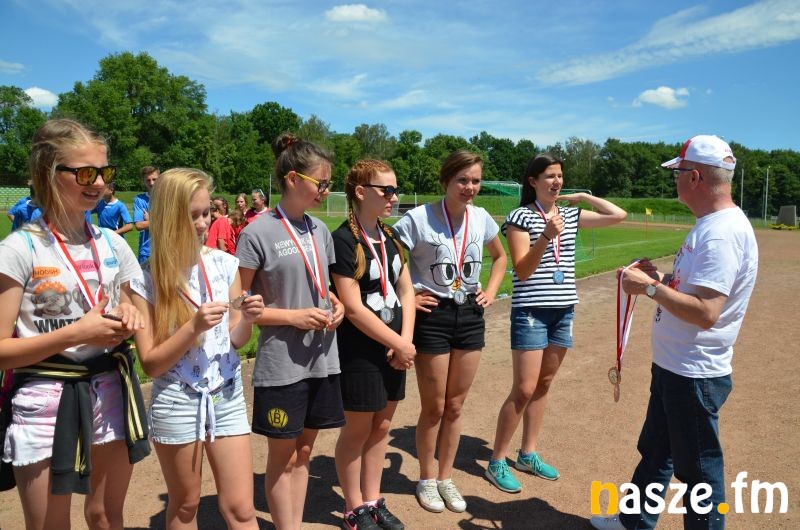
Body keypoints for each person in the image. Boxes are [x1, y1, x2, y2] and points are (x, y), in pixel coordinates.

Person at [590, 135, 758, 530]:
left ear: (695, 177)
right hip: (676, 366)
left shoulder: (721, 233)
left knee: (699, 473)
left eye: (678, 172)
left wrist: (649, 288)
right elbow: (693, 289)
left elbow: (706, 312)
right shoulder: (711, 225)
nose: (675, 179)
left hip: (693, 373)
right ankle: (634, 521)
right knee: (656, 452)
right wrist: (661, 278)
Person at [0, 118, 148, 529]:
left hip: (110, 393)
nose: (99, 183)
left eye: (105, 172)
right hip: (44, 403)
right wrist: (76, 333)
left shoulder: (113, 243)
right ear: (50, 173)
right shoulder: (19, 248)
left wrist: (130, 315)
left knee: (106, 517)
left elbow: (132, 307)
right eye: (85, 173)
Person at [484, 154, 627, 493]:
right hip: (531, 311)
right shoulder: (520, 217)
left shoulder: (570, 214)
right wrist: (546, 236)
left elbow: (618, 215)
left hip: (563, 311)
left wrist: (583, 197)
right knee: (524, 388)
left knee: (544, 384)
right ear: (533, 181)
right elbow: (522, 270)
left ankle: (527, 454)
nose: (557, 181)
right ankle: (496, 461)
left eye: (560, 176)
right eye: (549, 176)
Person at [130, 168, 263, 529]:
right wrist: (193, 327)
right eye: (192, 216)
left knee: (241, 509)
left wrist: (248, 320)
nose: (203, 223)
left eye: (206, 212)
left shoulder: (225, 264)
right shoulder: (145, 279)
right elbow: (151, 363)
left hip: (226, 394)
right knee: (186, 505)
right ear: (168, 218)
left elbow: (236, 340)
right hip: (177, 400)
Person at [237, 133, 346, 529]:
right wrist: (293, 317)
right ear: (293, 179)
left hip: (322, 359)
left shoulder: (319, 230)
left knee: (304, 453)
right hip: (282, 365)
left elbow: (320, 286)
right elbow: (239, 307)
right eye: (321, 183)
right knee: (283, 458)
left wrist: (337, 303)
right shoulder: (256, 232)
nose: (326, 191)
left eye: (329, 183)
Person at [393, 150, 507, 514]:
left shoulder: (481, 217)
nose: (470, 187)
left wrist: (491, 290)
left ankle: (445, 477)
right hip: (433, 316)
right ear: (445, 181)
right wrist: (409, 295)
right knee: (435, 407)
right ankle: (426, 479)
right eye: (462, 180)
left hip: (470, 314)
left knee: (456, 406)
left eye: (475, 181)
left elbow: (500, 257)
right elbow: (391, 258)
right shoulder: (418, 218)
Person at [331, 160, 416, 530]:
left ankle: (373, 500)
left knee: (382, 427)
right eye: (386, 190)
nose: (393, 197)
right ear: (361, 192)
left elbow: (406, 290)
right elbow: (352, 308)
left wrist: (405, 342)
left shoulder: (390, 236)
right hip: (359, 352)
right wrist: (399, 343)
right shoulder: (343, 240)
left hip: (395, 350)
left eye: (395, 190)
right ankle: (353, 508)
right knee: (357, 431)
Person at [133, 165, 159, 264]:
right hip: (146, 251)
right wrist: (161, 222)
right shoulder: (139, 199)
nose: (151, 183)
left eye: (154, 179)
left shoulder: (168, 198)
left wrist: (149, 220)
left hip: (166, 249)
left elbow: (174, 223)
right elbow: (139, 225)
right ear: (143, 181)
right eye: (148, 180)